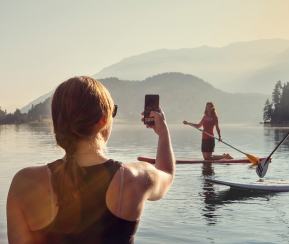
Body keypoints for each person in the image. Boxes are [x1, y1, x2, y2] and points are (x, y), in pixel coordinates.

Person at [7, 76, 175, 244]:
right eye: (112, 112)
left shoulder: (24, 183)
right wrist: (163, 132)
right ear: (102, 120)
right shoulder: (134, 178)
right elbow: (167, 173)